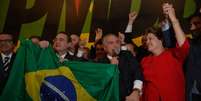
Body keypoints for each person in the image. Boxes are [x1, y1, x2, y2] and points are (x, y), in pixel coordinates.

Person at [140, 3, 189, 101]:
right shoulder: (144, 61)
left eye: (150, 38)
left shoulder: (173, 55)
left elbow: (184, 45)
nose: (147, 42)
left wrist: (173, 19)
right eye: (145, 40)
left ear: (160, 39)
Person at [97, 34, 143, 101]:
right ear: (104, 47)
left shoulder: (127, 55)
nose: (115, 45)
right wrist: (111, 68)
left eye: (117, 42)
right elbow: (101, 84)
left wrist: (136, 90)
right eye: (111, 43)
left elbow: (137, 71)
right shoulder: (100, 63)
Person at [185, 13, 201, 101]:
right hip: (193, 92)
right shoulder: (189, 43)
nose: (193, 27)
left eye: (197, 23)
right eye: (191, 24)